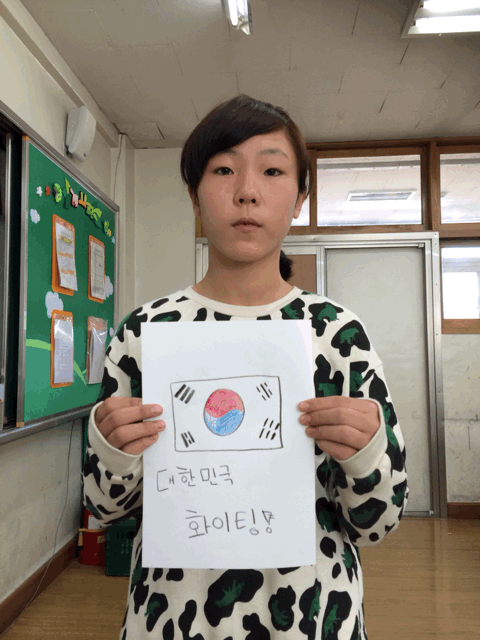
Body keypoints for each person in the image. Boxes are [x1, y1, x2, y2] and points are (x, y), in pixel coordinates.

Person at [82, 94, 409, 640]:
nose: (247, 191)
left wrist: (367, 454)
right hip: (171, 618)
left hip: (312, 618)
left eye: (273, 171)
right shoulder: (145, 332)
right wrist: (112, 449)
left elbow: (377, 524)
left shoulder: (335, 334)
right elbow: (104, 508)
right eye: (223, 170)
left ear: (299, 198)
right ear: (194, 195)